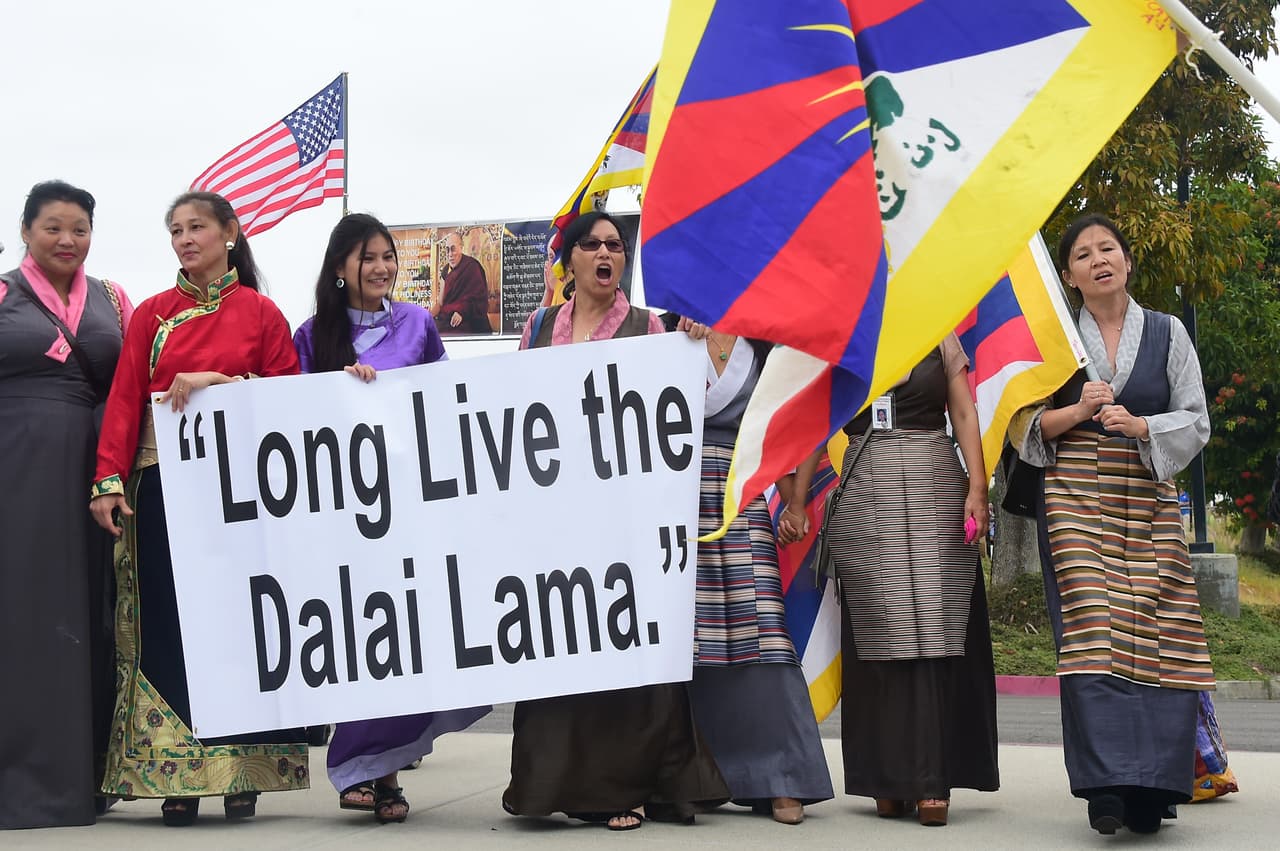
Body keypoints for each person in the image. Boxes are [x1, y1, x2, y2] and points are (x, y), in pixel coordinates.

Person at [502, 211, 729, 831]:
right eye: (593, 245)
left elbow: (691, 405)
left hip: (627, 517)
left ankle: (628, 787)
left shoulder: (649, 326)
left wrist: (694, 342)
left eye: (615, 246)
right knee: (562, 646)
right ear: (569, 260)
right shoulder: (537, 326)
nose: (607, 253)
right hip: (557, 517)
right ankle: (554, 784)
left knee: (625, 645)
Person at [89, 191, 309, 826]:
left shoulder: (262, 314)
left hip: (238, 490)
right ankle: (174, 772)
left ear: (230, 234)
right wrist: (108, 478)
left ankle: (245, 769)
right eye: (176, 231)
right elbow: (126, 398)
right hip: (160, 484)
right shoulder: (152, 315)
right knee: (168, 622)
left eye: (197, 228)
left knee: (237, 620)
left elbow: (287, 398)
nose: (185, 240)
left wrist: (215, 383)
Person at [1010, 213, 1213, 835]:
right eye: (1082, 254)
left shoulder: (1169, 332)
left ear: (1126, 261)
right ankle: (1106, 787)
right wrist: (1076, 411)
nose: (1098, 260)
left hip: (1148, 494)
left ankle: (1155, 788)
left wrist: (1144, 426)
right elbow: (1019, 428)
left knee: (1161, 630)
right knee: (1095, 625)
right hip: (1074, 494)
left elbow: (1196, 419)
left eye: (1108, 249)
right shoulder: (1051, 342)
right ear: (1069, 276)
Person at [292, 213, 490, 824]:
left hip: (409, 509)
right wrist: (341, 393)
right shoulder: (311, 335)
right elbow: (290, 415)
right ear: (338, 267)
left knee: (404, 633)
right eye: (366, 257)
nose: (381, 268)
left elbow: (444, 404)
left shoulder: (419, 323)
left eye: (386, 257)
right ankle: (366, 769)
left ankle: (385, 770)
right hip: (344, 516)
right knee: (358, 635)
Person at [789, 334, 998, 827]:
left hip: (935, 483)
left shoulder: (939, 327)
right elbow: (817, 425)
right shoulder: (841, 332)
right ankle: (886, 778)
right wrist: (797, 502)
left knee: (933, 626)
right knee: (880, 627)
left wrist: (978, 486)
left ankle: (932, 781)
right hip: (867, 489)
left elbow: (964, 413)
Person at [0, 180, 133, 830]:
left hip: (96, 478)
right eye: (53, 226)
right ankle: (18, 784)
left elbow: (138, 379)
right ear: (26, 230)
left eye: (79, 228)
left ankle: (85, 778)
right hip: (15, 470)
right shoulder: (2, 294)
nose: (67, 240)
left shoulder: (112, 300)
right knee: (22, 613)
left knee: (92, 611)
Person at [675, 319, 834, 824]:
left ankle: (782, 776)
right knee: (689, 635)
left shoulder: (763, 346)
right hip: (675, 494)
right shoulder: (662, 334)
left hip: (740, 494)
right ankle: (692, 776)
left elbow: (797, 423)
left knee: (763, 627)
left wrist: (795, 502)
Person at [434, 230, 491, 334]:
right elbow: (440, 302)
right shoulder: (446, 270)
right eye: (447, 250)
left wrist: (462, 312)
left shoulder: (472, 267)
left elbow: (480, 300)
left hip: (469, 319)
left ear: (461, 248)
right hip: (448, 319)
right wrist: (428, 316)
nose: (450, 254)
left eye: (453, 249)